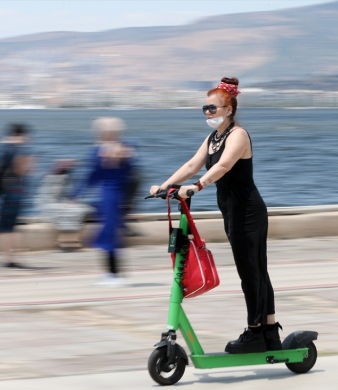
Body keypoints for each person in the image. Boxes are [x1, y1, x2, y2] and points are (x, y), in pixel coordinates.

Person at [149, 77, 282, 354]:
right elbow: (192, 164)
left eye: (213, 108)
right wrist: (165, 186)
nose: (208, 113)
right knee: (255, 269)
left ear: (229, 109)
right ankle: (269, 331)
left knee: (251, 271)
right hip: (231, 210)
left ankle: (256, 332)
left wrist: (197, 187)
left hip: (248, 210)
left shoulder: (238, 135)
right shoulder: (212, 138)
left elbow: (223, 166)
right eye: (205, 109)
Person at [69, 117, 137, 286]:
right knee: (110, 234)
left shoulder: (103, 151)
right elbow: (132, 175)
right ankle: (113, 273)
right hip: (117, 197)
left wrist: (75, 193)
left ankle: (112, 275)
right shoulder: (125, 149)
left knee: (108, 234)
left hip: (109, 197)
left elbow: (92, 176)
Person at [0, 123, 34, 268]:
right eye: (27, 135)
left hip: (8, 192)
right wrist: (29, 164)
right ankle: (12, 258)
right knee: (11, 227)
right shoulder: (17, 151)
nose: (29, 138)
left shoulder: (5, 149)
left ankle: (8, 258)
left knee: (6, 227)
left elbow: (0, 170)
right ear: (19, 135)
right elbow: (21, 171)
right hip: (16, 192)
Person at [36, 159, 91, 251]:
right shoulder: (50, 178)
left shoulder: (66, 178)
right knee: (71, 211)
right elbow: (47, 198)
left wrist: (71, 202)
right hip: (49, 205)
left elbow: (68, 195)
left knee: (84, 209)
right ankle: (65, 240)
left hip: (60, 203)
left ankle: (70, 239)